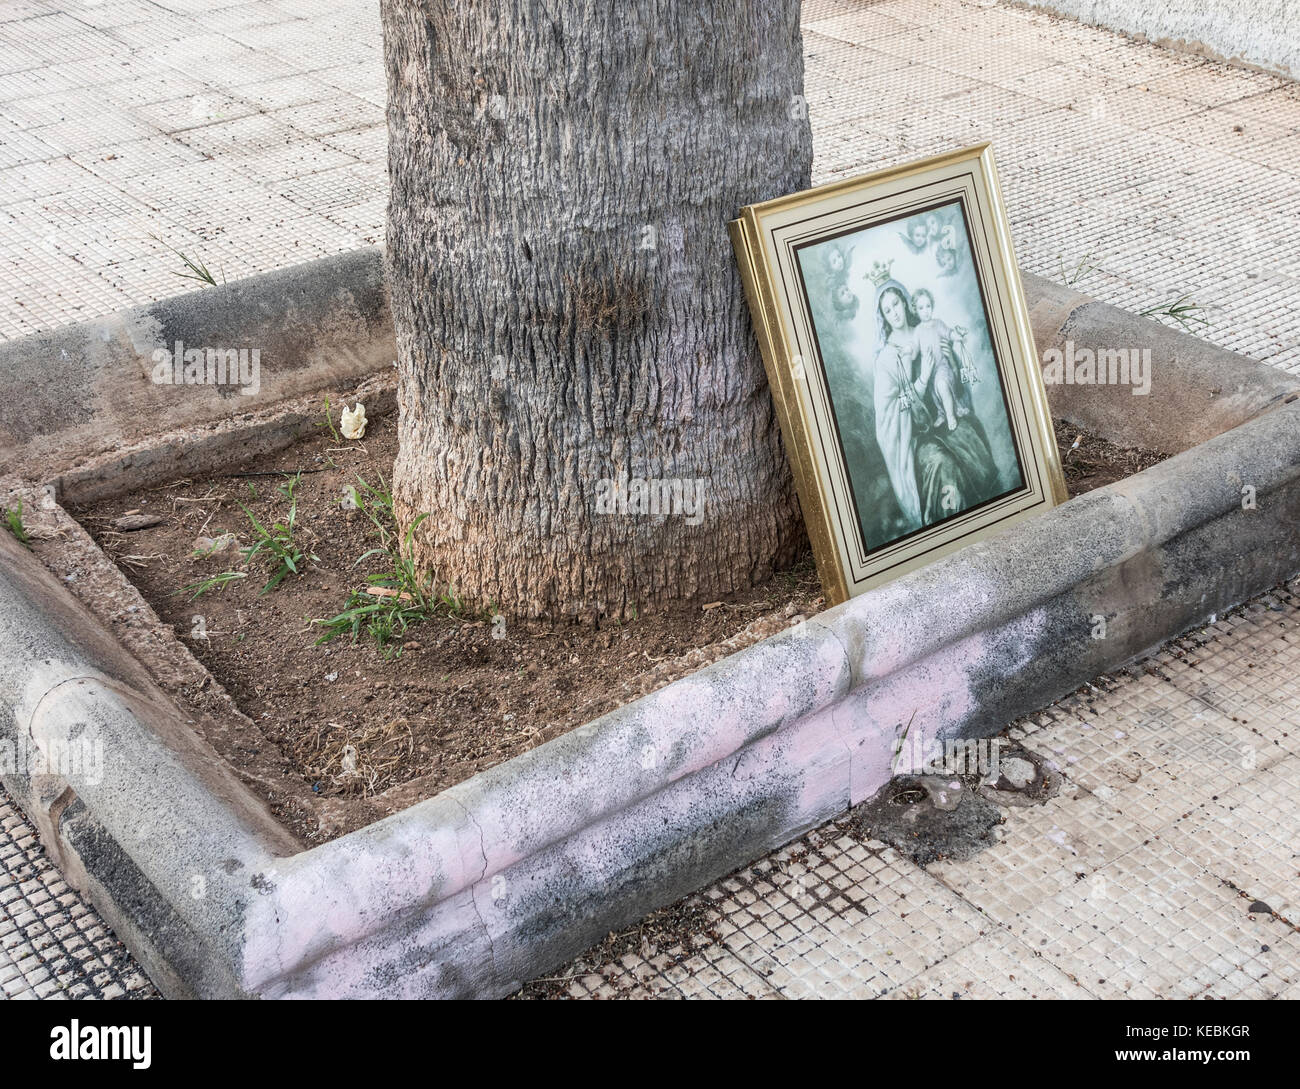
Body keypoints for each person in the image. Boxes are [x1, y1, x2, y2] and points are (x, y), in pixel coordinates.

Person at [870, 279, 1001, 530]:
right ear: (884, 318)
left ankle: (991, 520)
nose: (895, 312)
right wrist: (922, 378)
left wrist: (950, 359)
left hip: (944, 416)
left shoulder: (927, 328)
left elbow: (952, 376)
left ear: (905, 302)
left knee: (970, 432)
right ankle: (951, 532)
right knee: (942, 463)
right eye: (888, 310)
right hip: (918, 437)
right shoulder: (887, 358)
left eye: (896, 303)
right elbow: (893, 412)